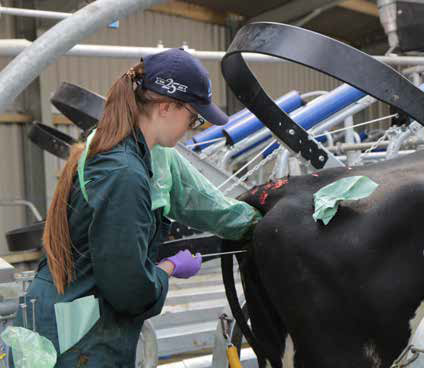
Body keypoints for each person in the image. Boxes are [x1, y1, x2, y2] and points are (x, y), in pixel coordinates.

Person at [9, 48, 261, 367]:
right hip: (76, 341)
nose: (191, 127)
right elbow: (129, 291)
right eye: (194, 117)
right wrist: (170, 268)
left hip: (66, 324)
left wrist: (257, 221)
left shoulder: (122, 149)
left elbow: (201, 202)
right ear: (167, 107)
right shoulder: (124, 174)